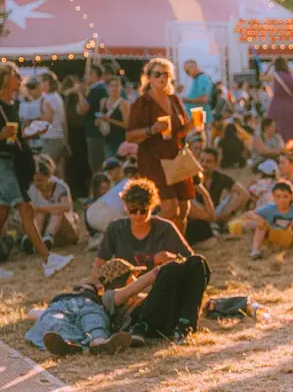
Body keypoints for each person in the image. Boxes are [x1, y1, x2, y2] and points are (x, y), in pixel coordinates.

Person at [0, 62, 74, 280]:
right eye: (16, 75)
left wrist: (27, 135)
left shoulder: (12, 105)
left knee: (0, 215)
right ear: (6, 79)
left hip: (12, 162)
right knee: (25, 208)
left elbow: (13, 138)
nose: (20, 79)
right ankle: (48, 259)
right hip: (0, 163)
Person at [92, 178, 210, 341]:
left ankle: (186, 324)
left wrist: (171, 258)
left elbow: (190, 263)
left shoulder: (164, 227)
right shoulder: (116, 229)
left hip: (164, 286)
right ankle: (146, 324)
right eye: (134, 210)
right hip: (134, 294)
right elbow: (98, 266)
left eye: (143, 210)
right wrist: (99, 286)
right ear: (126, 208)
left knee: (196, 263)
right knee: (168, 270)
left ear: (152, 207)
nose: (139, 215)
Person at [126, 58, 199, 233]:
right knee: (170, 208)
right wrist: (152, 130)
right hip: (154, 160)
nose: (162, 78)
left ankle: (179, 251)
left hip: (175, 157)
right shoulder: (142, 103)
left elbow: (179, 133)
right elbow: (130, 135)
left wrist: (191, 125)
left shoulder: (173, 100)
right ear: (148, 77)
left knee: (183, 209)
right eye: (157, 74)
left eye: (165, 74)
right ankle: (144, 237)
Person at [23, 276, 135, 356]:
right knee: (55, 320)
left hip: (91, 306)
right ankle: (67, 344)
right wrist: (46, 315)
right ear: (79, 288)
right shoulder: (64, 296)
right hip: (62, 306)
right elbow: (33, 313)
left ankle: (99, 343)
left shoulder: (102, 300)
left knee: (94, 320)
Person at [244, 180, 293, 258]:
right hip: (273, 236)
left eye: (285, 196)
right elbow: (249, 214)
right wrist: (258, 219)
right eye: (278, 197)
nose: (282, 200)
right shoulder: (269, 208)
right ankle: (255, 250)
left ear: (292, 196)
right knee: (261, 223)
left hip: (290, 237)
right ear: (273, 197)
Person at [190, 148, 249, 227]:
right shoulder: (192, 177)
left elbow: (244, 194)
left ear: (216, 164)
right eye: (202, 160)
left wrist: (230, 213)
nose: (204, 164)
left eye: (208, 161)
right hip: (198, 213)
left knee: (233, 195)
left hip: (216, 213)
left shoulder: (220, 178)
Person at [26, 156, 75, 252]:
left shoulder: (60, 186)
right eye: (35, 180)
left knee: (56, 212)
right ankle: (35, 238)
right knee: (41, 214)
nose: (37, 183)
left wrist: (40, 208)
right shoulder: (32, 189)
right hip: (42, 222)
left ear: (48, 177)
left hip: (63, 225)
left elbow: (66, 206)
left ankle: (48, 237)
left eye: (40, 180)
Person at [80, 65, 109, 173]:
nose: (85, 77)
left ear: (94, 75)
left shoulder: (96, 90)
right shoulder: (102, 88)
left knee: (96, 164)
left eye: (88, 74)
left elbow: (82, 109)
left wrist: (80, 93)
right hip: (98, 132)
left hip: (95, 132)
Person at [38, 73, 68, 176]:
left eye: (40, 82)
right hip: (58, 137)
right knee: (57, 170)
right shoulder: (56, 97)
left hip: (51, 137)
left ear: (47, 83)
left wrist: (39, 114)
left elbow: (47, 119)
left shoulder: (49, 99)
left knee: (45, 166)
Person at [266, 58, 293, 141]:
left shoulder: (275, 76)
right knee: (289, 130)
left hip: (276, 105)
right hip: (289, 106)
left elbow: (262, 76)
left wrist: (270, 64)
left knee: (275, 129)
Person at [99, 77, 129, 158]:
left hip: (119, 141)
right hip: (106, 140)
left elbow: (127, 125)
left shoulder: (123, 104)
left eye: (117, 86)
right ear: (107, 88)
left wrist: (110, 120)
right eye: (112, 86)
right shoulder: (103, 102)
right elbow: (101, 118)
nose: (114, 88)